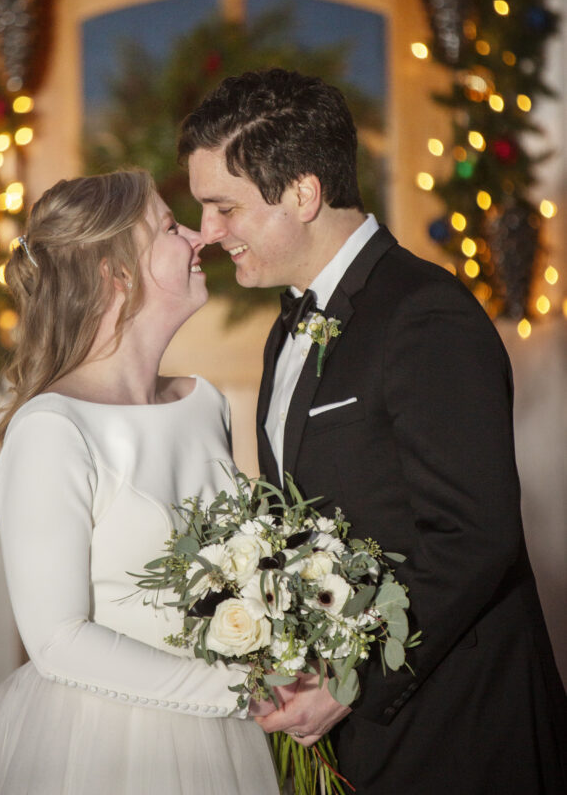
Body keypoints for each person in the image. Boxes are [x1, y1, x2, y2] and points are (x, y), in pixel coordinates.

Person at [179, 68, 567, 795]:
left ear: (300, 192)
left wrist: (349, 680)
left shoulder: (424, 314)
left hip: (458, 726)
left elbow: (473, 534)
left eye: (222, 207)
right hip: (360, 738)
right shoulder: (286, 323)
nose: (208, 234)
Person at [0, 170, 279, 795]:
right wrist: (241, 691)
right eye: (169, 227)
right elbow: (57, 640)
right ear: (117, 274)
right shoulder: (53, 429)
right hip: (106, 747)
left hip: (233, 741)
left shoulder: (205, 403)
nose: (197, 238)